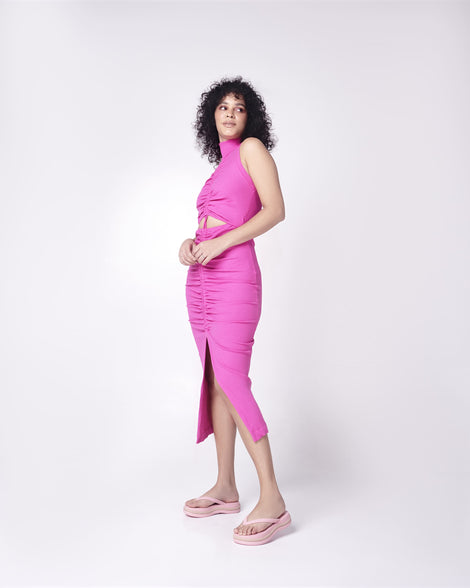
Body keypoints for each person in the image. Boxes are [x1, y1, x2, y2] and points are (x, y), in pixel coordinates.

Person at [178, 76, 291, 546]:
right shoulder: (216, 169)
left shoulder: (251, 150)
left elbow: (275, 209)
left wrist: (222, 240)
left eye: (238, 108)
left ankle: (274, 499)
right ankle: (226, 487)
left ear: (250, 118)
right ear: (212, 116)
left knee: (232, 380)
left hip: (235, 277)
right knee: (214, 382)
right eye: (222, 107)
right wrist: (189, 243)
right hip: (202, 280)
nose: (229, 113)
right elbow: (208, 224)